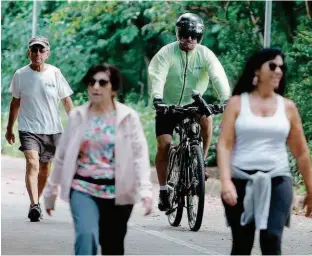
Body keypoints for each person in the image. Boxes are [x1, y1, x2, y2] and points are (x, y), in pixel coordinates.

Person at [43, 63, 153, 255]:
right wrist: (51, 190)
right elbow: (61, 156)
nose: (95, 87)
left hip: (118, 192)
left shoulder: (129, 117)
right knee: (86, 237)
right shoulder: (78, 116)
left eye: (102, 82)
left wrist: (146, 190)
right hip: (83, 189)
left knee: (112, 247)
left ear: (114, 88)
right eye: (91, 82)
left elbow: (140, 156)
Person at [217, 48, 312, 255]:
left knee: (271, 238)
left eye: (281, 67)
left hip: (278, 179)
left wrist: (311, 188)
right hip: (240, 179)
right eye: (272, 65)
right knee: (242, 244)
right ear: (257, 70)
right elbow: (224, 144)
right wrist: (226, 181)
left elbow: (301, 152)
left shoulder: (288, 107)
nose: (278, 71)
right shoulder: (236, 104)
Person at [148, 12, 231, 211]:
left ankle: (199, 160)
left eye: (194, 36)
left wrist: (227, 100)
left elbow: (218, 77)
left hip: (193, 104)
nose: (190, 40)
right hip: (167, 105)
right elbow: (157, 76)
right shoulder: (166, 53)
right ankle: (163, 190)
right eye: (186, 35)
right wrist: (157, 99)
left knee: (207, 119)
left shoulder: (205, 54)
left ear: (200, 37)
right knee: (164, 145)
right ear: (178, 35)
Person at [5, 36, 74, 222]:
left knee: (44, 168)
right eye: (34, 50)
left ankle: (34, 202)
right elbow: (15, 103)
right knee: (33, 163)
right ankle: (35, 204)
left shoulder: (55, 73)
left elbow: (66, 100)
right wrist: (9, 128)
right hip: (28, 128)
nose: (37, 53)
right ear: (29, 52)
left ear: (47, 53)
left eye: (41, 50)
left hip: (52, 129)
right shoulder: (20, 74)